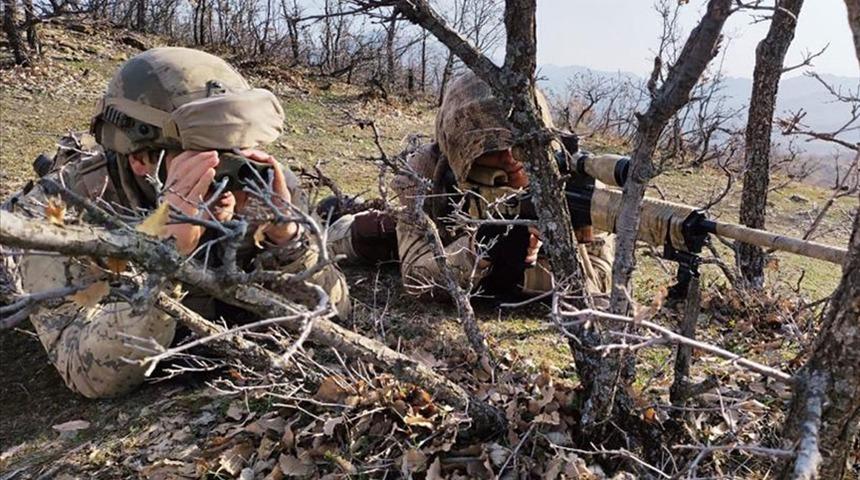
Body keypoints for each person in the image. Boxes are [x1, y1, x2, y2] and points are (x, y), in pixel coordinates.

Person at [3, 47, 349, 399]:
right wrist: (166, 257)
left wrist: (286, 240)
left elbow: (333, 313)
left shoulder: (262, 182)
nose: (228, 174)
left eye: (238, 150)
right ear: (142, 159)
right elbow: (86, 372)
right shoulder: (60, 213)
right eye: (208, 155)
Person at [328, 73, 614, 302]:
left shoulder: (577, 182)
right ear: (460, 148)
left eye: (520, 142)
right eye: (494, 146)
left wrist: (529, 261)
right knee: (363, 234)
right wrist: (477, 249)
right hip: (444, 235)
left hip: (475, 258)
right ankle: (342, 211)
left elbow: (598, 282)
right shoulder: (430, 171)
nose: (512, 156)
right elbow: (416, 277)